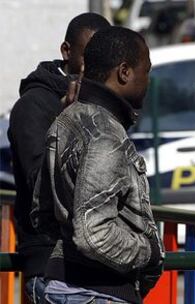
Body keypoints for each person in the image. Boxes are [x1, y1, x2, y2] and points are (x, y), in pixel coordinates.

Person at [32, 26, 164, 304]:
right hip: (96, 292)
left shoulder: (66, 118)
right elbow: (94, 234)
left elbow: (41, 211)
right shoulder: (105, 136)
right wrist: (149, 252)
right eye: (146, 70)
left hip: (65, 285)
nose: (148, 80)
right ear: (124, 72)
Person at [7, 13, 110, 303]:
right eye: (89, 57)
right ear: (66, 51)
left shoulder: (102, 102)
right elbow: (40, 182)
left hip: (97, 260)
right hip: (53, 263)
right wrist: (72, 119)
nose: (97, 70)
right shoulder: (33, 106)